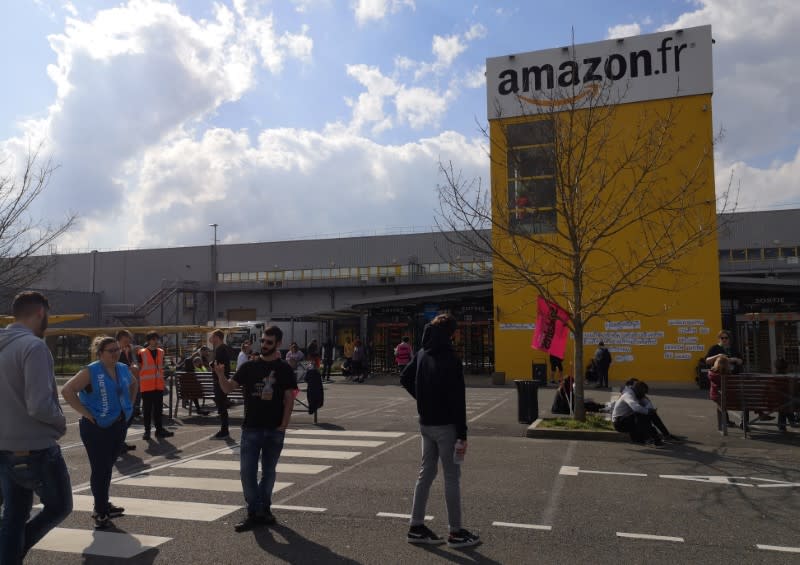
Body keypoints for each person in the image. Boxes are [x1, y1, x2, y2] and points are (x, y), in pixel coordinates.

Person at [0, 291, 73, 563]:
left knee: (15, 514)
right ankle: (9, 553)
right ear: (41, 312)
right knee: (59, 507)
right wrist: (60, 422)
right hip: (36, 448)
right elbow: (40, 405)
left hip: (4, 447)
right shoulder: (34, 347)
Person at [400, 313, 480, 548]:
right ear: (451, 333)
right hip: (446, 425)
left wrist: (423, 398)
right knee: (451, 477)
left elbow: (405, 377)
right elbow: (458, 400)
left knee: (426, 473)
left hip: (426, 423)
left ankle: (416, 526)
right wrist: (462, 434)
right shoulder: (451, 358)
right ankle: (455, 532)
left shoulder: (423, 353)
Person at [213, 325, 297, 532]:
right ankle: (254, 510)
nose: (264, 345)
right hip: (251, 428)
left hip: (274, 429)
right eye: (263, 341)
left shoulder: (284, 369)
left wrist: (284, 425)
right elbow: (228, 388)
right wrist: (220, 375)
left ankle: (264, 510)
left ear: (278, 344)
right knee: (247, 472)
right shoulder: (249, 367)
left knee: (268, 472)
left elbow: (289, 399)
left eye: (269, 342)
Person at [62, 336, 137, 529]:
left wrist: (129, 405)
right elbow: (68, 390)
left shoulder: (121, 368)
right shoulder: (91, 370)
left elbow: (134, 384)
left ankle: (103, 503)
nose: (115, 353)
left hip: (118, 424)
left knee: (107, 467)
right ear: (100, 353)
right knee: (100, 468)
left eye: (117, 349)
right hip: (96, 427)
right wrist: (85, 413)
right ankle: (100, 510)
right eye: (110, 350)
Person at [137, 331, 173, 441]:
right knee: (147, 410)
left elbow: (161, 367)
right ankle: (147, 431)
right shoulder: (141, 352)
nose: (155, 341)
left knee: (158, 409)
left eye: (156, 339)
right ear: (148, 341)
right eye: (153, 339)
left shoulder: (161, 352)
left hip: (158, 386)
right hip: (146, 386)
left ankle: (159, 430)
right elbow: (139, 368)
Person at [611, 380, 663, 446]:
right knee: (641, 414)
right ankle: (650, 439)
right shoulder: (628, 395)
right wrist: (648, 411)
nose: (644, 395)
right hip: (619, 423)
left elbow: (649, 406)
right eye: (643, 393)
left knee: (650, 414)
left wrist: (650, 410)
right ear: (638, 390)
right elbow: (636, 408)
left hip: (627, 420)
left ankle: (662, 436)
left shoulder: (638, 395)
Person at [116, 329, 139, 453]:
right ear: (119, 340)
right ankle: (118, 443)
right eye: (126, 340)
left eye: (129, 339)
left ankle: (120, 441)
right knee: (122, 416)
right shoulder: (115, 352)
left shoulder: (129, 351)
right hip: (121, 387)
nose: (128, 342)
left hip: (130, 385)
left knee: (129, 415)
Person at [210, 329, 232, 439]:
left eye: (212, 337)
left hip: (220, 381)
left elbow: (219, 366)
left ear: (217, 338)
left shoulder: (220, 350)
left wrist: (213, 366)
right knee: (221, 405)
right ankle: (224, 429)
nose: (210, 339)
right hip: (221, 380)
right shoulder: (222, 349)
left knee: (222, 406)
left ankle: (224, 430)